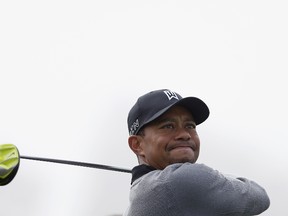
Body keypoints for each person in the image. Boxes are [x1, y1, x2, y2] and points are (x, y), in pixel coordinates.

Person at [124, 89, 270, 216]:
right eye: (168, 126)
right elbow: (260, 196)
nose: (185, 134)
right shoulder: (179, 180)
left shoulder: (140, 192)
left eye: (190, 125)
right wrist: (215, 177)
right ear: (137, 145)